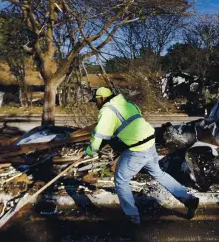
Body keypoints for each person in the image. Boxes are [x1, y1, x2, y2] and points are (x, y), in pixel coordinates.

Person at [84, 87, 199, 225]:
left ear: (101, 98)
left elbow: (99, 136)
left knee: (120, 180)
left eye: (96, 101)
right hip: (150, 143)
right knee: (159, 174)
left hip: (138, 149)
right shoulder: (127, 104)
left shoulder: (106, 110)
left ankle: (132, 217)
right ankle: (189, 200)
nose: (95, 104)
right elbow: (130, 125)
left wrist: (90, 151)